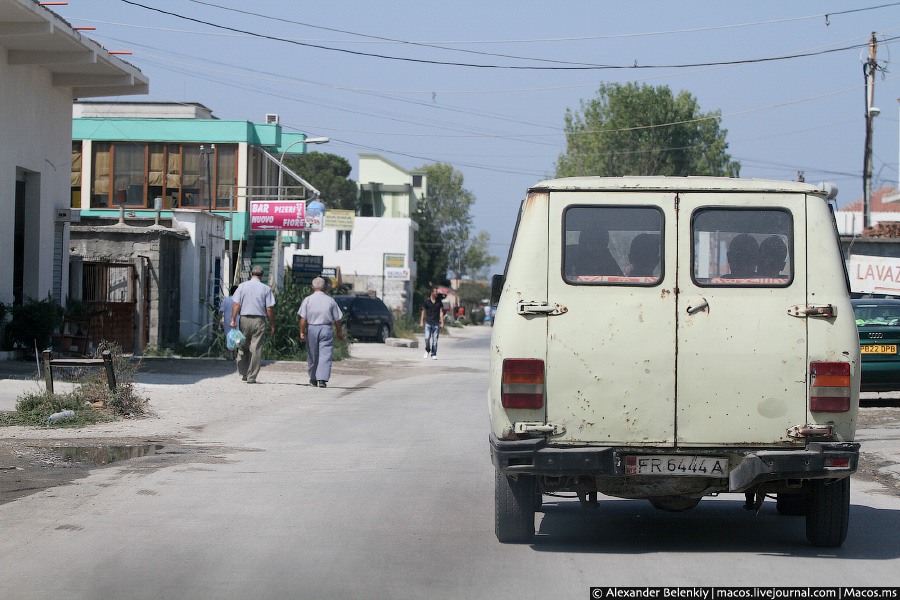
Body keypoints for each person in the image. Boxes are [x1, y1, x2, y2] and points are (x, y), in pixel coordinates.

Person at [230, 265, 275, 384]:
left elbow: (236, 305)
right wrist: (272, 324)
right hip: (259, 320)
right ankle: (251, 376)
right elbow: (269, 308)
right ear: (262, 275)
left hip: (244, 318)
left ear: (251, 274)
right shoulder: (265, 288)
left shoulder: (242, 286)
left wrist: (233, 319)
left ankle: (243, 371)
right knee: (256, 348)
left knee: (242, 345)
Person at [298, 277, 344, 388]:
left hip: (312, 328)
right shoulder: (330, 300)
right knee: (325, 354)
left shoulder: (308, 300)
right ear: (324, 287)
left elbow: (303, 318)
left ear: (312, 287)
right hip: (326, 328)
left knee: (312, 354)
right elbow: (337, 319)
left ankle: (313, 379)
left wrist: (302, 332)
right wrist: (339, 332)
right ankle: (322, 379)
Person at [420, 287, 446, 360]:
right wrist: (421, 321)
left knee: (435, 340)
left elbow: (441, 312)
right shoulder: (426, 301)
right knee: (427, 338)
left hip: (436, 323)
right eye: (435, 292)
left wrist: (442, 322)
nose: (436, 293)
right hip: (428, 323)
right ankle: (427, 350)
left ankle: (433, 353)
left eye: (437, 292)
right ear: (431, 293)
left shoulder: (439, 302)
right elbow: (423, 311)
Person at [220, 285, 239, 359]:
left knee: (229, 337)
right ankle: (235, 354)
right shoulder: (239, 300)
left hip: (227, 321)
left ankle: (229, 354)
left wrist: (218, 322)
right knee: (237, 338)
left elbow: (221, 311)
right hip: (237, 321)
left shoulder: (226, 300)